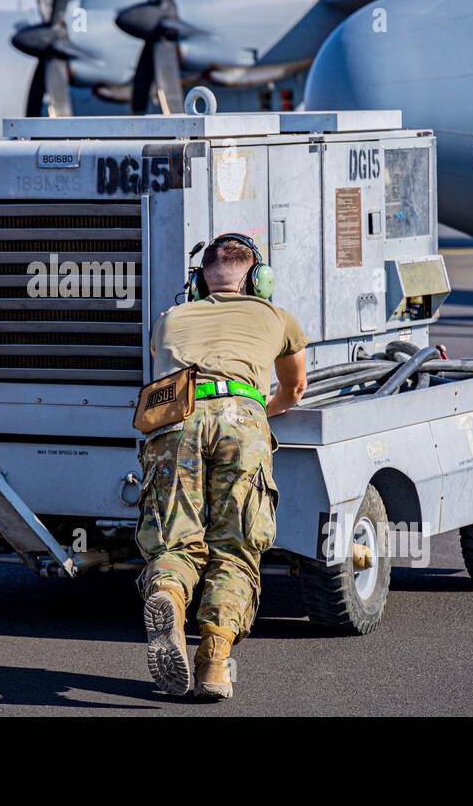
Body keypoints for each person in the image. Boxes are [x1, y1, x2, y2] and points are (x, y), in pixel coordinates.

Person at [136, 234, 307, 700]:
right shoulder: (276, 316)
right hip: (241, 421)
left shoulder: (170, 317)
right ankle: (214, 663)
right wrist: (253, 410)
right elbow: (293, 390)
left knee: (175, 537)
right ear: (258, 280)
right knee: (235, 545)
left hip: (177, 422)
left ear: (197, 282)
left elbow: (165, 368)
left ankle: (168, 595)